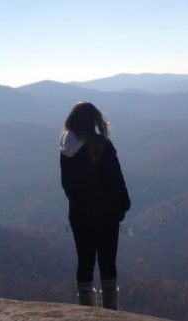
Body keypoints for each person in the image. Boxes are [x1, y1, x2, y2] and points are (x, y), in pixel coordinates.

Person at [59, 101, 130, 310]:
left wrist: (77, 205)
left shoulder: (65, 148)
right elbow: (117, 181)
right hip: (106, 215)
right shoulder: (102, 145)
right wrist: (122, 207)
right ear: (94, 121)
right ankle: (109, 314)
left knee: (85, 262)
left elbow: (66, 184)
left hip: (79, 215)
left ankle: (86, 312)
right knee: (107, 263)